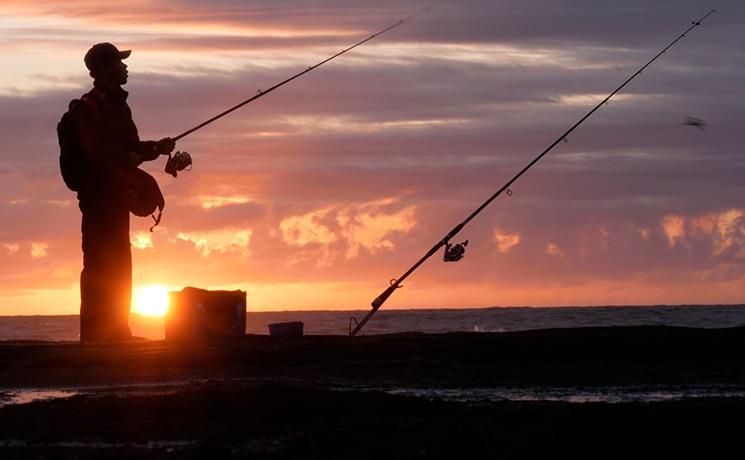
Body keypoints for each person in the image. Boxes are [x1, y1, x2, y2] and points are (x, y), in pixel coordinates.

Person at [72, 43, 175, 342]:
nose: (125, 67)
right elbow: (90, 151)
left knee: (119, 263)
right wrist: (122, 159)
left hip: (117, 196)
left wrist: (156, 147)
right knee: (99, 266)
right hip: (97, 197)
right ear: (104, 68)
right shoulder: (88, 107)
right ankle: (95, 336)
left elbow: (130, 147)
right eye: (119, 62)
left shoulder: (119, 106)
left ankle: (116, 331)